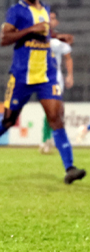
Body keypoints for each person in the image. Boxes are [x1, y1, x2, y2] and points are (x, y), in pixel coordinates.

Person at [0, 0, 84, 184]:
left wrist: (59, 36)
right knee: (8, 120)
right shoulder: (16, 11)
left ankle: (69, 168)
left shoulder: (45, 10)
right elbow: (4, 39)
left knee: (55, 117)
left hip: (46, 74)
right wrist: (31, 29)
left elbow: (45, 34)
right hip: (22, 76)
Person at [40, 8, 73, 154]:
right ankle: (45, 139)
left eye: (53, 18)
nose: (50, 21)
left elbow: (68, 57)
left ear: (57, 21)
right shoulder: (40, 37)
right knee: (50, 110)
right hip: (41, 78)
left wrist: (70, 75)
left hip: (56, 79)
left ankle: (49, 140)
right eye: (48, 18)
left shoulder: (59, 43)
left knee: (57, 110)